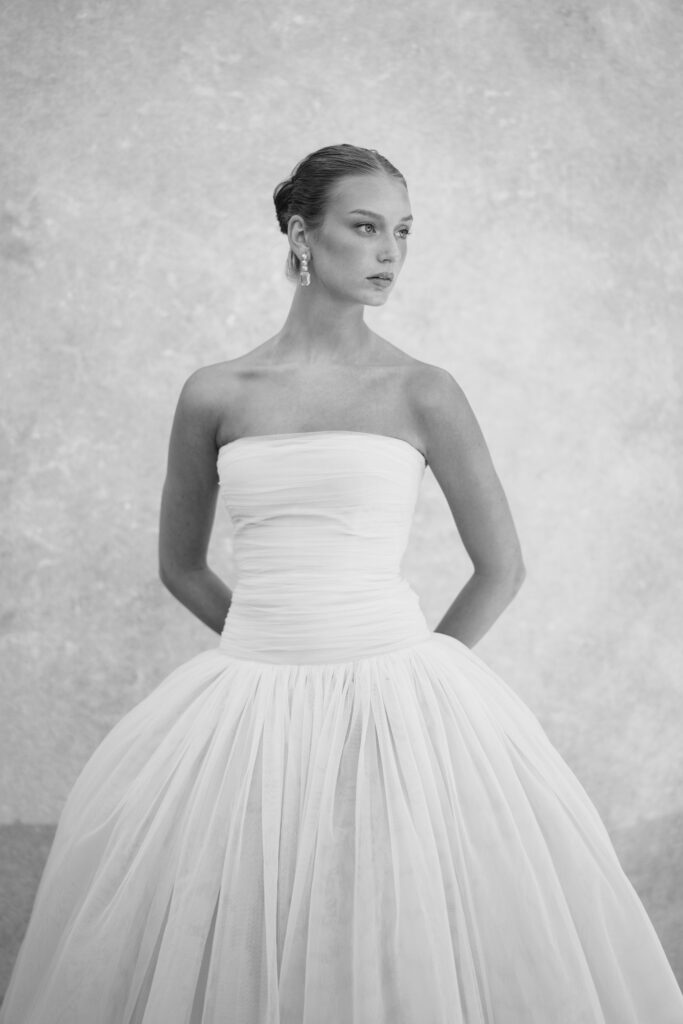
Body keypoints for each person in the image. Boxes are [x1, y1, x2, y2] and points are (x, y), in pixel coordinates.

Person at [1, 143, 681, 1024]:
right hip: (243, 699)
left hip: (397, 691)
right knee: (241, 932)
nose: (388, 252)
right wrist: (269, 640)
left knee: (392, 929)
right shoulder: (215, 392)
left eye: (401, 231)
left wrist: (422, 676)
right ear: (300, 233)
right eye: (364, 228)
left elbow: (501, 566)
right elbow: (179, 564)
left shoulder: (422, 391)